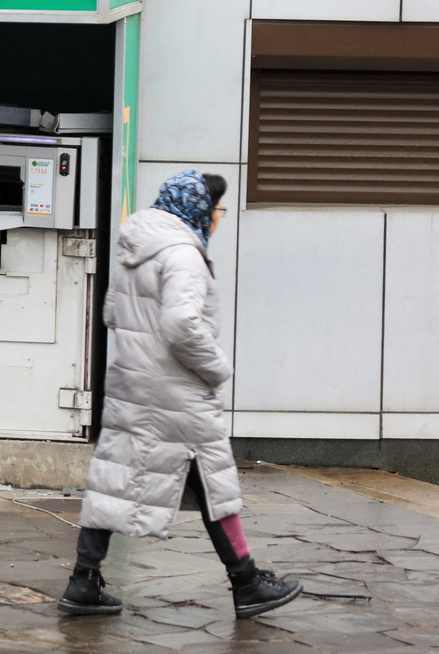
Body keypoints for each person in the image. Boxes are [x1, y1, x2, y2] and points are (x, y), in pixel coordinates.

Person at [58, 170, 302, 620]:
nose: (219, 218)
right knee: (214, 482)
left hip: (133, 385)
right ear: (200, 210)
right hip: (176, 392)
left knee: (113, 480)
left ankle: (83, 582)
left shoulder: (137, 248)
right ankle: (247, 582)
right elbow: (181, 325)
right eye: (218, 209)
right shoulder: (183, 254)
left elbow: (112, 312)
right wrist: (217, 368)